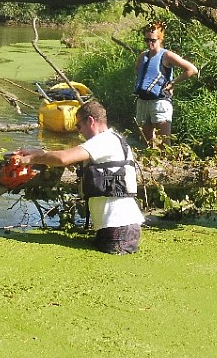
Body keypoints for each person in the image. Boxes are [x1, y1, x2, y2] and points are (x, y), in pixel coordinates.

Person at [13, 99, 144, 255]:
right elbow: (67, 154)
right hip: (118, 226)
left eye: (78, 126)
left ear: (90, 121)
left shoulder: (103, 140)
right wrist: (38, 152)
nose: (78, 131)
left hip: (119, 229)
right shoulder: (113, 139)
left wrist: (31, 159)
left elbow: (63, 158)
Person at [134, 21, 198, 146]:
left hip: (160, 102)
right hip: (142, 102)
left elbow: (192, 70)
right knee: (146, 142)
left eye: (153, 40)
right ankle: (152, 164)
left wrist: (173, 82)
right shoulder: (143, 56)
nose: (149, 43)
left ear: (160, 39)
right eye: (146, 40)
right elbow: (137, 70)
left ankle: (169, 163)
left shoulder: (167, 55)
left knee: (164, 142)